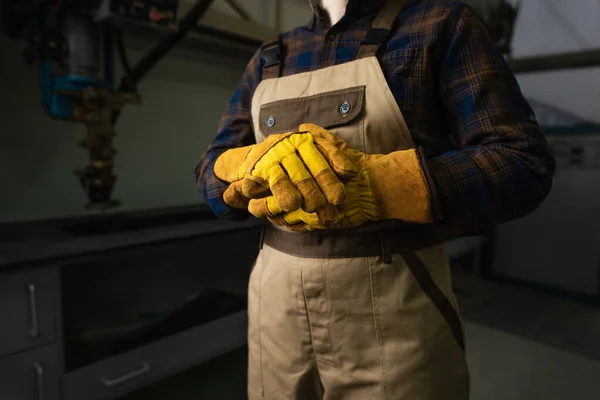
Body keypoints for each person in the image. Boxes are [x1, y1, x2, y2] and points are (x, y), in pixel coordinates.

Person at [195, 0, 556, 398]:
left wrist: (380, 185)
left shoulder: (439, 25)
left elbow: (521, 163)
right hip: (276, 307)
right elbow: (210, 176)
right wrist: (248, 163)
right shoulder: (268, 56)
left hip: (394, 304)